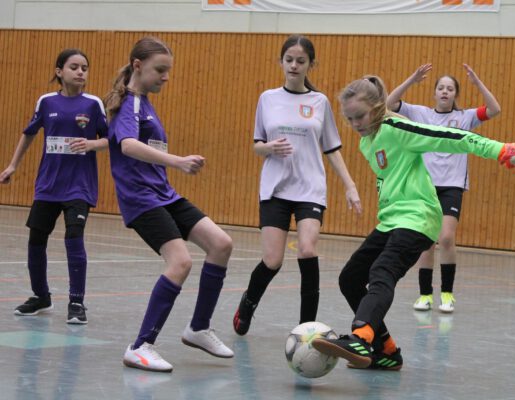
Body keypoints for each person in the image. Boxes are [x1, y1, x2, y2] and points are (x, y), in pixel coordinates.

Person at [312, 75, 515, 370]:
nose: (355, 124)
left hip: (419, 216)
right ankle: (386, 351)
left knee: (382, 270)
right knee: (350, 278)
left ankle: (361, 336)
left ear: (377, 108)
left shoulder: (397, 128)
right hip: (392, 219)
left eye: (360, 116)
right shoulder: (367, 143)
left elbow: (446, 136)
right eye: (350, 119)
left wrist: (497, 149)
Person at [104, 37, 234, 372]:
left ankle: (199, 328)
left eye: (168, 70)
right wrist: (177, 161)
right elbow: (128, 145)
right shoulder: (131, 103)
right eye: (160, 69)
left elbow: (119, 141)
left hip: (164, 194)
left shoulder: (145, 103)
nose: (166, 77)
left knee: (221, 244)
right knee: (180, 262)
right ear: (137, 66)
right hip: (141, 198)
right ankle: (140, 346)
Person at [233, 35, 362, 336]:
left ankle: (307, 329)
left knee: (307, 249)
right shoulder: (267, 98)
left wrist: (350, 185)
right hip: (275, 188)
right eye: (289, 60)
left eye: (300, 61)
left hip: (310, 188)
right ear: (281, 62)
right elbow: (256, 145)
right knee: (272, 260)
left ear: (310, 65)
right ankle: (248, 302)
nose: (294, 65)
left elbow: (332, 148)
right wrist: (268, 148)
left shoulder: (320, 102)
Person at [1, 49, 108, 324]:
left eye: (85, 67)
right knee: (36, 240)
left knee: (74, 237)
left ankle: (76, 302)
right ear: (59, 71)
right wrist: (12, 165)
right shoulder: (46, 102)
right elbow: (28, 134)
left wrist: (91, 144)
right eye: (74, 67)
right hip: (48, 185)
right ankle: (41, 297)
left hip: (80, 186)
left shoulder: (93, 104)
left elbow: (112, 139)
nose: (80, 72)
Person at [387, 63, 501, 313]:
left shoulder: (466, 117)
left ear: (455, 94)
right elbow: (389, 103)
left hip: (452, 186)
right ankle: (425, 294)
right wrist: (411, 79)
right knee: (426, 242)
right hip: (425, 187)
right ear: (435, 92)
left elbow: (494, 109)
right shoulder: (420, 114)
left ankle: (447, 294)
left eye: (450, 88)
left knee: (446, 238)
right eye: (441, 88)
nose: (445, 92)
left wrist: (478, 83)